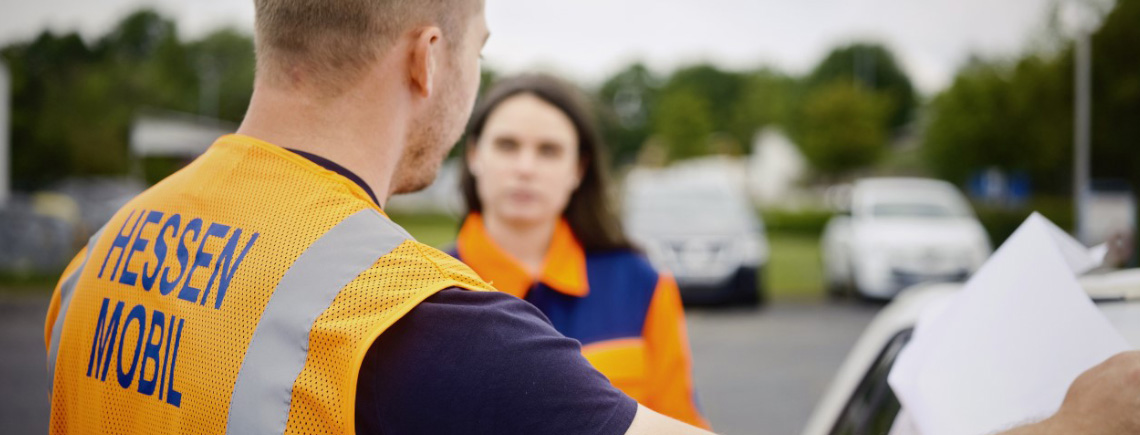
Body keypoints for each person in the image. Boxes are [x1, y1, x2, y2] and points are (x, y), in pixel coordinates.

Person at [38, 0, 1140, 433]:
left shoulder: (101, 257)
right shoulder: (419, 326)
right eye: (478, 51)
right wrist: (1072, 424)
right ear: (428, 58)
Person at [450, 74, 708, 428]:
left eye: (549, 150)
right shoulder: (425, 291)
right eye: (507, 145)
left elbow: (680, 421)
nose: (525, 168)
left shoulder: (640, 284)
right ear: (475, 156)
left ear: (578, 169)